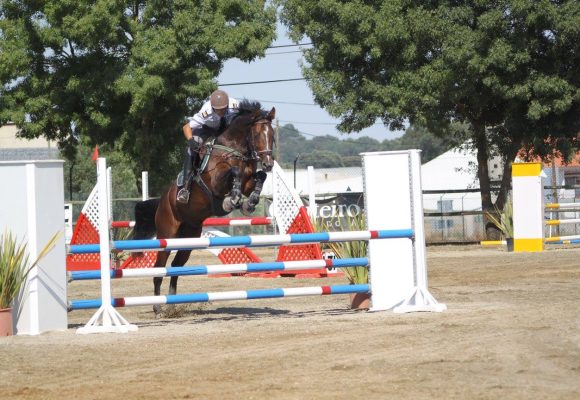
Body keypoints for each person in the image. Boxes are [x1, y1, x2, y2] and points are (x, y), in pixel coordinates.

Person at [177, 89, 238, 204]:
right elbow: (186, 127)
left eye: (224, 109)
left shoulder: (234, 105)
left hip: (224, 130)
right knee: (191, 150)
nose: (221, 112)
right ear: (212, 107)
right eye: (218, 110)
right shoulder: (206, 111)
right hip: (204, 130)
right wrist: (191, 141)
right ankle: (185, 187)